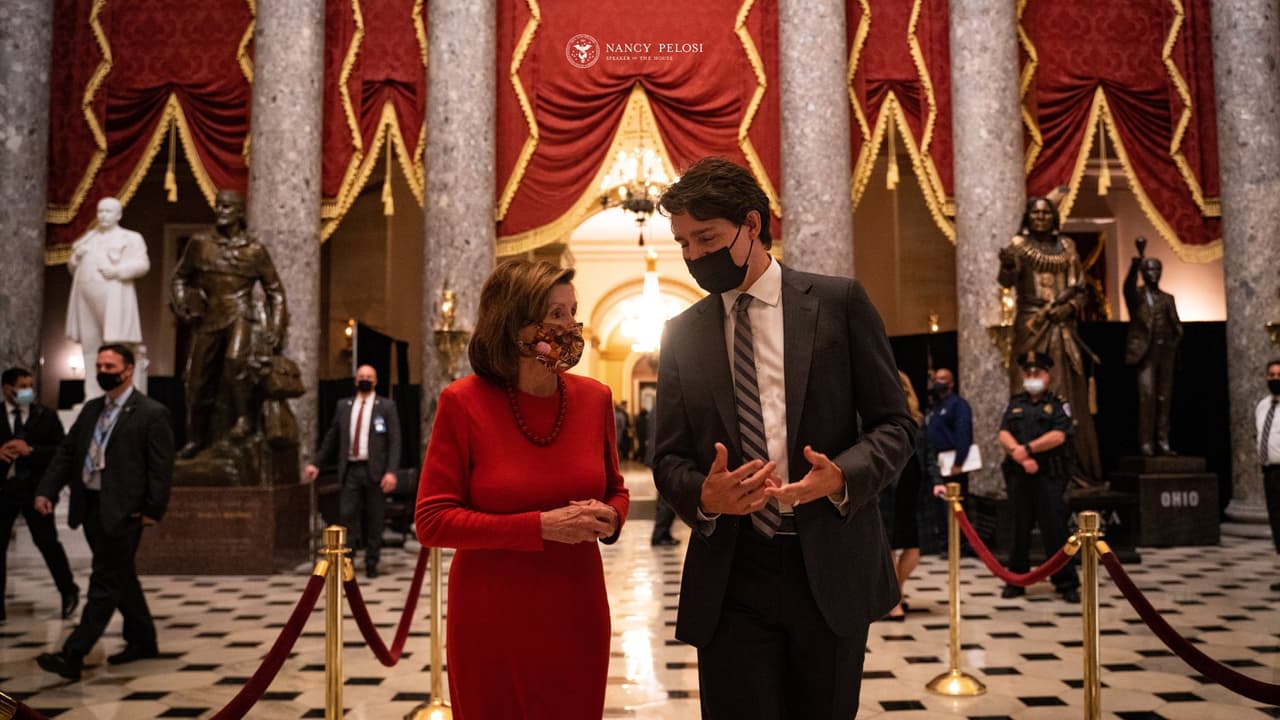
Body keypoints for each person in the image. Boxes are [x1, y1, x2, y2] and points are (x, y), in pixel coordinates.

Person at [652, 157, 914, 718]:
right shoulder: (682, 334)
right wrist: (704, 495)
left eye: (707, 238)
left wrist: (843, 476)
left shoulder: (838, 304)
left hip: (830, 560)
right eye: (683, 243)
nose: (694, 256)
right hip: (732, 573)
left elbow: (896, 425)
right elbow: (667, 456)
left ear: (752, 224)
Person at [415, 260, 630, 718]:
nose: (571, 327)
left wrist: (612, 517)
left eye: (574, 312)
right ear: (513, 321)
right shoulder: (463, 402)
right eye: (556, 314)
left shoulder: (594, 399)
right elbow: (432, 522)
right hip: (493, 610)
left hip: (576, 606)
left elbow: (616, 491)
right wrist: (539, 527)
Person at [34, 345, 175, 681]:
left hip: (126, 510)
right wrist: (46, 490)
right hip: (91, 506)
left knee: (105, 580)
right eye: (98, 365)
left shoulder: (151, 413)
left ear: (127, 370)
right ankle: (144, 639)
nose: (102, 370)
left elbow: (161, 466)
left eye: (109, 365)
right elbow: (67, 455)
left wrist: (154, 508)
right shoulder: (92, 410)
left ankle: (74, 653)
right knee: (120, 575)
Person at [170, 189, 287, 458]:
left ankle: (244, 420)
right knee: (196, 381)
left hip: (240, 312)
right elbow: (179, 278)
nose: (220, 211)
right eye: (218, 206)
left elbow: (275, 291)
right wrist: (183, 305)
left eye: (226, 207)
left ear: (239, 213)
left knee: (236, 361)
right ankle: (195, 439)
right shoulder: (200, 244)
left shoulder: (255, 250)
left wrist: (275, 329)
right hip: (209, 315)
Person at [999, 194, 1103, 488]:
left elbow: (1080, 290)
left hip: (1063, 327)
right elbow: (1006, 281)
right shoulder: (1019, 246)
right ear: (1028, 218)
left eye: (1046, 213)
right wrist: (1007, 264)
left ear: (1054, 217)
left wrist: (1067, 309)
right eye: (1036, 214)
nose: (1041, 218)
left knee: (1066, 391)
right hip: (1031, 324)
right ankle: (1027, 462)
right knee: (1026, 385)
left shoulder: (1067, 247)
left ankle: (1073, 468)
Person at [997, 351, 1080, 603]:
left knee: (1055, 529)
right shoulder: (1015, 403)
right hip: (1020, 476)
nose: (1032, 377)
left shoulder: (1057, 404)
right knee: (1018, 530)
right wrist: (1020, 455)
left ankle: (1066, 582)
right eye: (1028, 373)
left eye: (1037, 373)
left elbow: (1059, 436)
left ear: (1047, 375)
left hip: (1048, 477)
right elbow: (1003, 433)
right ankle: (1016, 580)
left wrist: (1029, 450)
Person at [304, 364, 401, 578]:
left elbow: (395, 442)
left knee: (375, 517)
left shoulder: (386, 406)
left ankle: (372, 562)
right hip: (351, 470)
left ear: (375, 381)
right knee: (347, 516)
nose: (365, 379)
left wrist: (391, 472)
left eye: (369, 376)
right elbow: (331, 438)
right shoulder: (344, 406)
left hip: (375, 470)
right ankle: (347, 561)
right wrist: (317, 463)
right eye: (362, 376)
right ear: (356, 380)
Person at [0, 368, 78, 623]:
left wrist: (30, 450)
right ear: (6, 388)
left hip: (34, 489)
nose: (26, 391)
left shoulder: (45, 416)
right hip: (5, 490)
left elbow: (61, 451)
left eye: (30, 386)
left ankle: (69, 591)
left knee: (47, 542)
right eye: (21, 386)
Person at [66, 197, 150, 399]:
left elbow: (142, 264)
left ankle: (122, 395)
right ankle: (92, 396)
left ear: (118, 215)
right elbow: (72, 267)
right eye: (100, 211)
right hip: (84, 297)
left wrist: (118, 270)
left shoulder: (130, 238)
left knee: (116, 345)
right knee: (90, 345)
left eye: (108, 211)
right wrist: (76, 258)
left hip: (113, 296)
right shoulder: (89, 238)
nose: (103, 215)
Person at [883, 371, 945, 620]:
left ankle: (894, 593)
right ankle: (894, 600)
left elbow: (929, 457)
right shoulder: (878, 421)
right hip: (886, 493)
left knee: (914, 550)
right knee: (888, 549)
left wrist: (938, 482)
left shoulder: (919, 421)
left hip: (914, 493)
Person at [1123, 237, 1183, 456]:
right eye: (1149, 270)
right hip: (1145, 354)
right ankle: (1146, 443)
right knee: (1147, 398)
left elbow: (1176, 324)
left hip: (1165, 353)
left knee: (1164, 398)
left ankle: (1163, 441)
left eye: (1157, 270)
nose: (1153, 274)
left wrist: (1175, 342)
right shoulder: (1137, 297)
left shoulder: (1168, 298)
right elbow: (1127, 286)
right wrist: (1135, 263)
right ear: (1143, 273)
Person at [925, 367, 974, 494]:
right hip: (936, 463)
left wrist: (959, 462)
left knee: (954, 504)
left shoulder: (958, 404)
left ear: (951, 383)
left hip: (952, 464)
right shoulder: (934, 406)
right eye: (936, 379)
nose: (937, 382)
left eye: (942, 379)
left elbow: (963, 434)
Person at [1257, 360, 1280, 592]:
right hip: (1269, 472)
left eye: (1278, 375)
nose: (1274, 379)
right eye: (1271, 375)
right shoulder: (1263, 406)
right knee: (1277, 522)